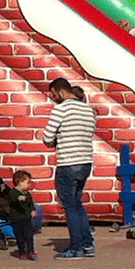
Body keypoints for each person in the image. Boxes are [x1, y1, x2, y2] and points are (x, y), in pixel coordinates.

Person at [43, 79, 97, 259]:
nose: (53, 98)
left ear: (60, 92)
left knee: (69, 207)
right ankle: (88, 244)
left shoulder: (61, 109)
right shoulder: (88, 109)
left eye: (53, 94)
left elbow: (47, 136)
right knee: (77, 204)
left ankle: (76, 248)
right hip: (85, 162)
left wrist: (54, 141)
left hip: (68, 163)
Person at [7, 170, 40, 260]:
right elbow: (15, 199)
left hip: (26, 218)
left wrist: (32, 210)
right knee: (20, 237)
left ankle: (30, 251)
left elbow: (31, 204)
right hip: (17, 219)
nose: (29, 185)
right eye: (27, 182)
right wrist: (20, 198)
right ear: (20, 182)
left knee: (29, 236)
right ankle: (22, 252)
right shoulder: (13, 192)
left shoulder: (28, 194)